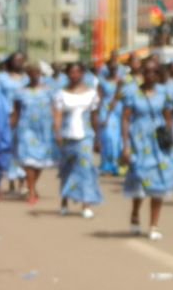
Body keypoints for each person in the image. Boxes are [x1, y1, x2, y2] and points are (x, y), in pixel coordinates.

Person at [120, 57, 173, 240]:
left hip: (159, 144)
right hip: (139, 142)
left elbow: (168, 117)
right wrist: (126, 146)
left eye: (154, 72)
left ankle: (154, 224)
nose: (150, 75)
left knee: (159, 183)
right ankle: (135, 212)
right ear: (141, 73)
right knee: (139, 181)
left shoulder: (164, 93)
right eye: (147, 71)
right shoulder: (132, 93)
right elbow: (125, 118)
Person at [53, 62, 102, 218]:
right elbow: (58, 116)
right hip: (67, 135)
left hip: (85, 136)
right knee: (67, 169)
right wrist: (57, 133)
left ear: (82, 74)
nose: (74, 75)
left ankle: (85, 203)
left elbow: (95, 117)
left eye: (77, 72)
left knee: (85, 168)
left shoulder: (91, 93)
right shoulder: (61, 94)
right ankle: (64, 201)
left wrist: (97, 138)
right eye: (71, 73)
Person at [10, 62, 56, 205]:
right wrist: (11, 127)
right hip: (26, 129)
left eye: (37, 71)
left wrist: (57, 126)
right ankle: (31, 191)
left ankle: (32, 185)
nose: (34, 74)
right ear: (27, 74)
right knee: (28, 159)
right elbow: (16, 112)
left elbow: (55, 109)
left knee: (40, 161)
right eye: (31, 72)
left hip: (44, 129)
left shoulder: (49, 90)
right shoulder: (20, 91)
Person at [0, 51, 28, 195]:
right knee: (8, 147)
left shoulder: (26, 78)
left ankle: (22, 183)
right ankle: (10, 181)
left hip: (26, 118)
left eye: (21, 60)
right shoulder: (1, 78)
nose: (19, 62)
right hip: (5, 116)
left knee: (22, 149)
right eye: (16, 60)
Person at [96, 55, 126, 175]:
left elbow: (117, 97)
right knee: (107, 138)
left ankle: (117, 165)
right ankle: (106, 165)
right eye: (110, 67)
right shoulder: (102, 81)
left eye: (115, 68)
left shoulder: (120, 81)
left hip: (117, 110)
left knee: (117, 140)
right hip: (104, 109)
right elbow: (99, 97)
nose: (113, 70)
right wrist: (98, 113)